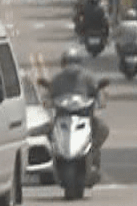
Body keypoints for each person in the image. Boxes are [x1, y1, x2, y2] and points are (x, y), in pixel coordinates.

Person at [45, 46, 110, 176]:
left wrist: (99, 101)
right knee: (45, 131)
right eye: (68, 62)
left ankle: (93, 154)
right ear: (63, 64)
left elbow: (98, 92)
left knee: (102, 128)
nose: (71, 66)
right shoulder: (57, 79)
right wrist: (48, 101)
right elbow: (49, 95)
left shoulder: (88, 78)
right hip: (62, 117)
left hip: (84, 115)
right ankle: (51, 159)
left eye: (74, 62)